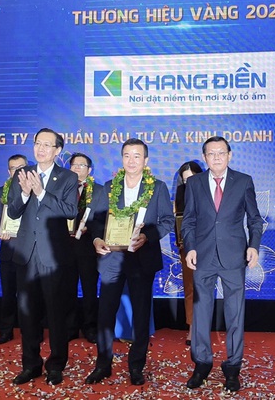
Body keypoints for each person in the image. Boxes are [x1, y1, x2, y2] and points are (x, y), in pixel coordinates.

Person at [85, 138, 174, 386]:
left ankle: (136, 366)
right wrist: (96, 239)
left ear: (145, 160)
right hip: (112, 259)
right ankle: (103, 365)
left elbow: (167, 221)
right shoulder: (109, 187)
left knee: (141, 315)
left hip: (142, 260)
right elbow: (95, 221)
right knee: (105, 314)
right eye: (127, 155)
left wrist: (148, 236)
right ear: (122, 158)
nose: (131, 161)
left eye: (137, 156)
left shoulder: (157, 187)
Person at [181, 136, 264, 392]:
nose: (216, 157)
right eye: (211, 153)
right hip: (203, 256)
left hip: (233, 257)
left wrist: (253, 246)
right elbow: (189, 220)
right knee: (200, 313)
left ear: (230, 155)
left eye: (221, 152)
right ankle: (202, 364)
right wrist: (190, 247)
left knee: (235, 314)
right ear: (204, 157)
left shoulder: (243, 181)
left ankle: (233, 367)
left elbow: (255, 219)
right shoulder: (194, 183)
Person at [7, 128, 78, 386]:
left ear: (57, 150)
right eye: (38, 143)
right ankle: (31, 365)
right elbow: (13, 212)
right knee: (27, 314)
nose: (41, 149)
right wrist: (26, 193)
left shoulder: (68, 177)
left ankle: (56, 364)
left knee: (56, 314)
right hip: (26, 255)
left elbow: (70, 211)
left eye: (47, 145)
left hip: (53, 256)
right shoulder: (22, 174)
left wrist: (41, 193)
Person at [0, 154, 28, 345]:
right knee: (8, 294)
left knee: (28, 295)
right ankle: (5, 331)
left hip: (28, 252)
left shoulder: (35, 189)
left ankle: (31, 331)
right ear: (8, 171)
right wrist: (0, 229)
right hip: (8, 250)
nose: (18, 171)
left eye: (21, 167)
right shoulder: (2, 190)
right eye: (14, 168)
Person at [66, 152, 103, 343]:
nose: (77, 168)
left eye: (81, 165)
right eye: (74, 165)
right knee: (68, 289)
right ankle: (70, 327)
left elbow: (103, 217)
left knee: (89, 289)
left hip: (89, 247)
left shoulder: (99, 190)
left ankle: (90, 327)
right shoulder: (62, 188)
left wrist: (91, 228)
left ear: (89, 170)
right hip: (66, 247)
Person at [174, 161, 203, 346]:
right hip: (188, 248)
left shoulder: (211, 193)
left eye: (192, 179)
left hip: (209, 246)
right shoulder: (180, 198)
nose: (189, 184)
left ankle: (203, 325)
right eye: (185, 181)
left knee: (205, 287)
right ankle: (192, 326)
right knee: (190, 287)